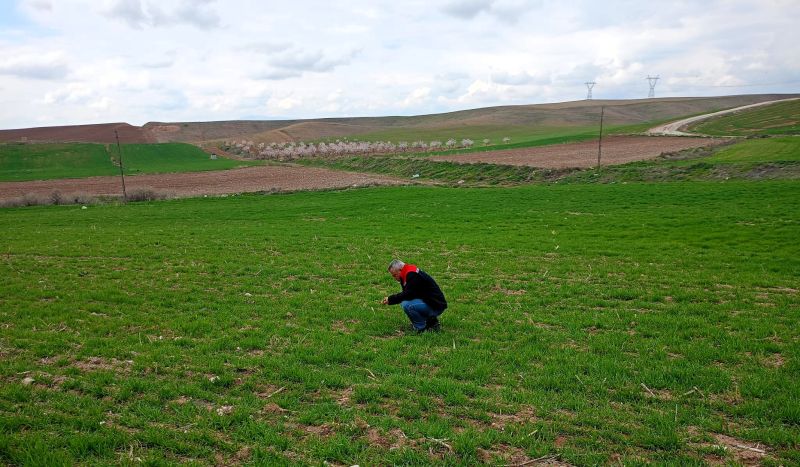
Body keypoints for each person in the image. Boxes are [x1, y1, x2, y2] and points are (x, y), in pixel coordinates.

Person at [381, 259, 447, 333]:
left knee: (407, 304)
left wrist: (390, 299)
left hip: (436, 305)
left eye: (395, 275)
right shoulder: (407, 272)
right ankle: (431, 322)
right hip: (432, 302)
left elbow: (408, 294)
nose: (394, 278)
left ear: (400, 270)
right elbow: (410, 293)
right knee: (407, 302)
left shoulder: (412, 274)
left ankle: (420, 328)